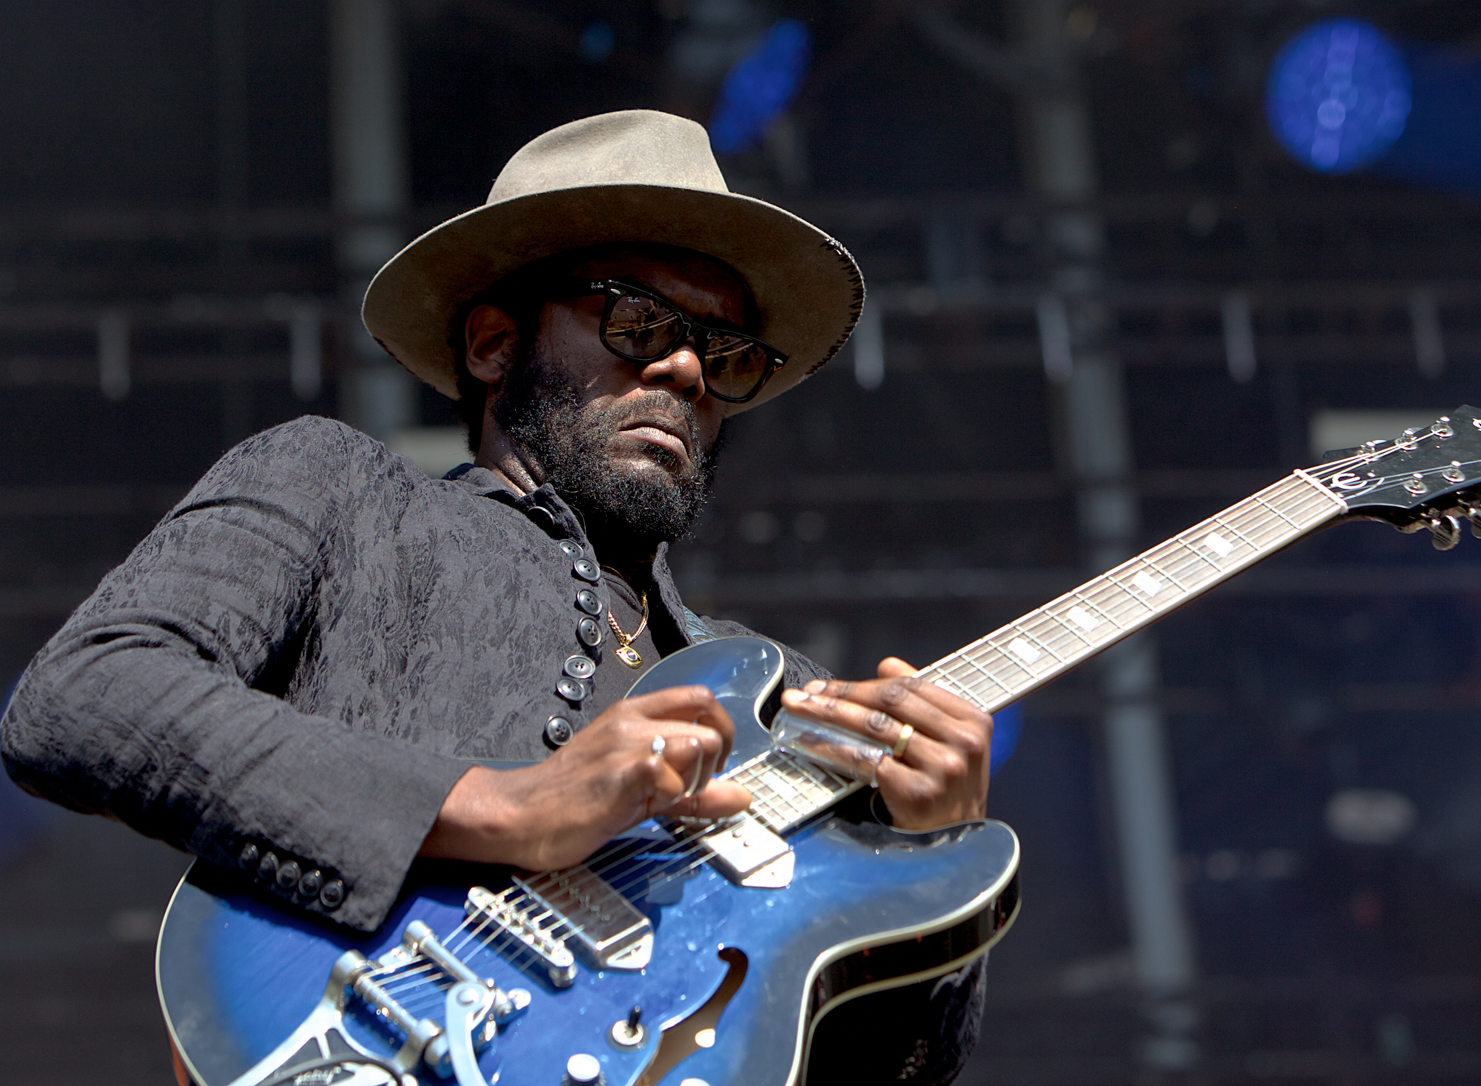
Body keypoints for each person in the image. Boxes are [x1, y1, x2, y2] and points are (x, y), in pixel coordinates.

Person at [0, 111, 992, 1084]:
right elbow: (84, 694)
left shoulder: (789, 708)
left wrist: (928, 871)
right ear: (490, 344)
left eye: (725, 354)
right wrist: (501, 803)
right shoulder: (338, 489)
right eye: (638, 320)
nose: (687, 368)